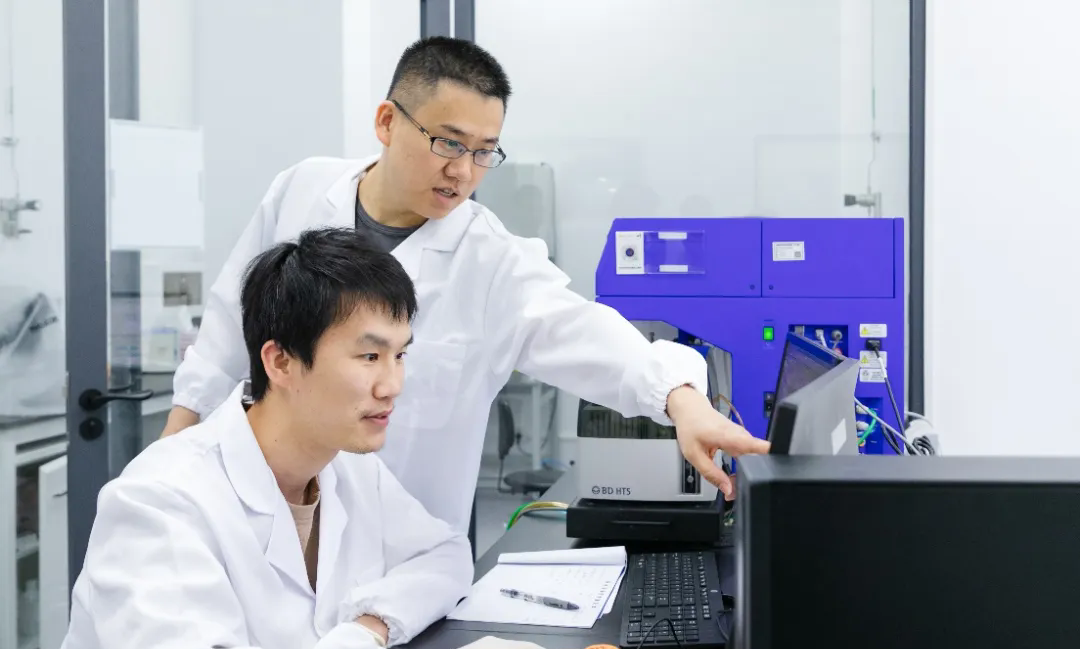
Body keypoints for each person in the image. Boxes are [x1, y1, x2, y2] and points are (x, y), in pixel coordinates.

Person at [162, 36, 768, 535]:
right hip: (259, 516)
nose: (462, 171)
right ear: (386, 122)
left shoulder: (490, 259)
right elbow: (227, 332)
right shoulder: (300, 190)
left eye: (484, 152)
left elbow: (583, 331)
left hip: (398, 554)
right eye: (448, 142)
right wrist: (171, 456)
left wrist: (683, 401)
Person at [52, 228, 554, 649]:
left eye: (400, 355)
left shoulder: (348, 469)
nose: (392, 385)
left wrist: (368, 627)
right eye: (370, 356)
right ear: (281, 362)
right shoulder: (158, 501)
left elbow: (443, 553)